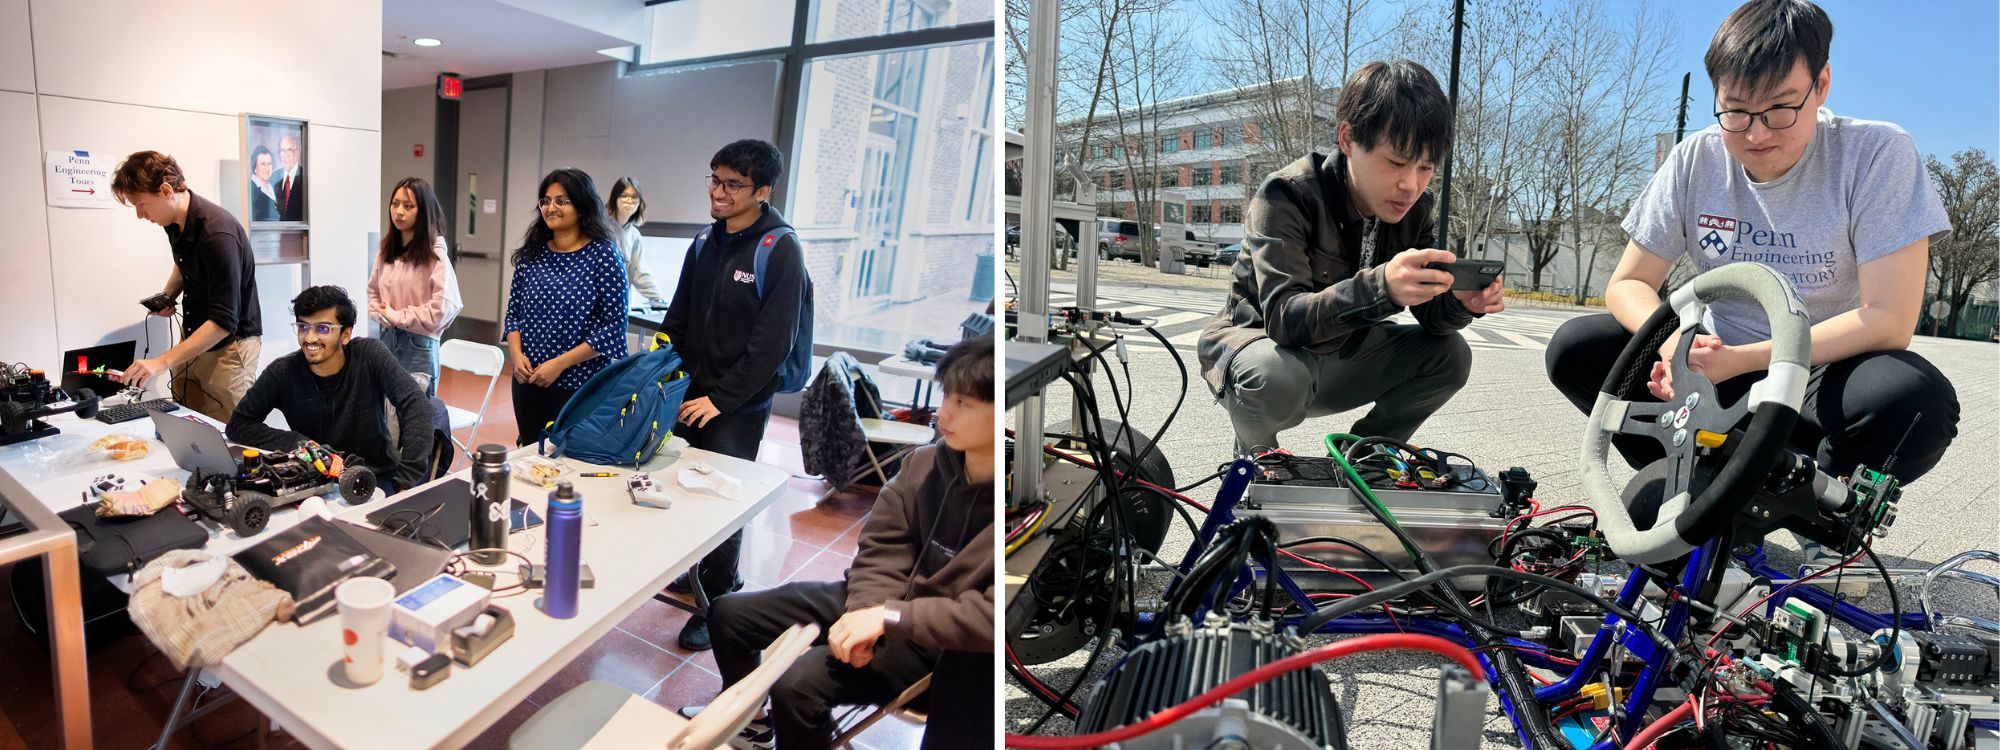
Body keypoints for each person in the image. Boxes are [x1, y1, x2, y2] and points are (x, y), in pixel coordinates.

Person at [1542, 0, 1958, 518]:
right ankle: (1698, 483)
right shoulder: (1697, 159)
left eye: (1781, 108)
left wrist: (1745, 360)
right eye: (1735, 111)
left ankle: (1821, 513)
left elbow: (1889, 320)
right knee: (1577, 348)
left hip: (1821, 374)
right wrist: (1680, 348)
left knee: (1912, 398)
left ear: (1821, 85)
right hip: (1715, 361)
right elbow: (1628, 283)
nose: (1757, 133)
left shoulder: (1875, 154)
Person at [682, 336, 995, 750]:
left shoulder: (1011, 505)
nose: (943, 412)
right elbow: (882, 544)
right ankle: (753, 725)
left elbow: (987, 617)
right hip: (879, 604)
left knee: (796, 687)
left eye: (964, 404)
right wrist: (869, 612)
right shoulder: (924, 464)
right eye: (947, 397)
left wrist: (889, 619)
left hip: (935, 644)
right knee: (728, 615)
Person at [1196, 60, 1503, 456]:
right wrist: (1383, 287)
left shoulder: (1416, 210)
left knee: (1451, 355)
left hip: (1342, 355)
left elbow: (1433, 320)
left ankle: (1364, 456)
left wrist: (1461, 304)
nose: (1410, 184)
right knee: (1275, 375)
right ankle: (1255, 464)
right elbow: (1284, 319)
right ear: (1347, 139)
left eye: (1426, 167)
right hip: (1262, 352)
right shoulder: (1286, 195)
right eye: (1395, 162)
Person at [657, 139, 809, 651]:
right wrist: (664, 370)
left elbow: (772, 342)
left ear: (762, 191)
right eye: (714, 179)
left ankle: (719, 597)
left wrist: (721, 399)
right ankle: (695, 572)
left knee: (723, 498)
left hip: (737, 403)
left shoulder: (779, 248)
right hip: (690, 392)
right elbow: (678, 316)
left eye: (732, 185)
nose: (718, 192)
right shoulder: (704, 242)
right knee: (683, 485)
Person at [227, 286, 433, 495]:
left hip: (378, 477)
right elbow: (238, 424)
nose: (309, 338)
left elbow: (417, 406)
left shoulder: (368, 355)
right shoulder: (282, 372)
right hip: (317, 482)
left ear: (346, 334)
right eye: (303, 327)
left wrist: (405, 481)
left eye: (323, 328)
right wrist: (297, 443)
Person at [111, 150, 264, 423]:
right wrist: (169, 295)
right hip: (196, 335)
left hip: (230, 345)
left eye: (141, 204)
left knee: (230, 436)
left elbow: (223, 321)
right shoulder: (174, 222)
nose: (139, 214)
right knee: (189, 425)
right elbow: (183, 261)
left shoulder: (218, 234)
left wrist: (161, 362)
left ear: (166, 190)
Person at [503, 168, 629, 446]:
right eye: (545, 201)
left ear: (582, 206)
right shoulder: (532, 254)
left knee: (571, 458)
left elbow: (613, 328)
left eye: (562, 201)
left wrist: (559, 364)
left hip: (579, 381)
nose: (551, 207)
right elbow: (513, 315)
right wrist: (515, 354)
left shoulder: (604, 256)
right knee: (530, 453)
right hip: (528, 380)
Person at [368, 177, 464, 396]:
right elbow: (372, 292)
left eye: (408, 206)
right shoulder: (386, 251)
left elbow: (441, 310)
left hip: (419, 346)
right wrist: (380, 314)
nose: (399, 211)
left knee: (414, 420)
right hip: (387, 338)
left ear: (423, 212)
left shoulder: (435, 255)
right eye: (395, 204)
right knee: (383, 415)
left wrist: (397, 316)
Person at [608, 176, 668, 307]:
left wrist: (658, 297)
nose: (629, 201)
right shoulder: (601, 228)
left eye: (634, 197)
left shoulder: (634, 235)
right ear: (615, 198)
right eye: (624, 196)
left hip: (620, 301)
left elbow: (638, 270)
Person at [273, 133, 306, 221]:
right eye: (282, 151)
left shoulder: (306, 177)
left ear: (296, 152)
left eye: (289, 150)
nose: (285, 155)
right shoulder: (273, 177)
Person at [249, 146, 278, 222]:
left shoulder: (272, 187)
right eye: (262, 164)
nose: (267, 168)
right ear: (255, 167)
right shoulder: (251, 190)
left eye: (269, 164)